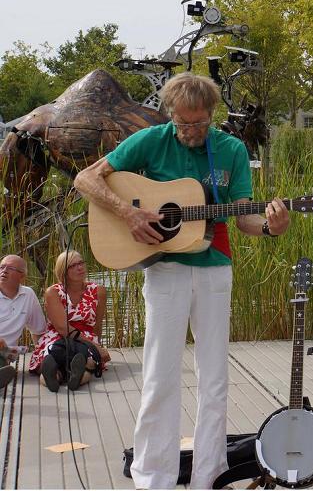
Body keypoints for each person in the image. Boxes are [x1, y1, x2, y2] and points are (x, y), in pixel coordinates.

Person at [73, 72, 290, 489]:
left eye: (199, 122)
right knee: (159, 373)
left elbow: (243, 215)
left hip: (215, 269)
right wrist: (128, 212)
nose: (190, 131)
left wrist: (270, 227)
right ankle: (152, 476)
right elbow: (87, 179)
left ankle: (210, 474)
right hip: (165, 268)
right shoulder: (152, 139)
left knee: (214, 379)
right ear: (170, 114)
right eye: (183, 122)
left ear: (212, 114)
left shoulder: (230, 150)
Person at [29, 250, 111, 392]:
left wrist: (98, 344)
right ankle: (54, 376)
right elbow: (62, 328)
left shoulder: (98, 291)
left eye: (81, 263)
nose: (79, 267)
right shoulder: (53, 292)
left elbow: (97, 325)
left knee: (89, 362)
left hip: (86, 337)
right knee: (51, 357)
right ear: (63, 270)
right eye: (72, 266)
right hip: (57, 336)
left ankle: (75, 375)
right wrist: (96, 347)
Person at [0, 254, 46, 389]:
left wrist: (41, 355)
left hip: (6, 352)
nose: (4, 271)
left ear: (22, 276)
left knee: (3, 357)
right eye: (2, 267)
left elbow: (38, 330)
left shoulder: (28, 295)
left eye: (10, 268)